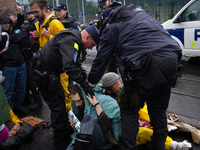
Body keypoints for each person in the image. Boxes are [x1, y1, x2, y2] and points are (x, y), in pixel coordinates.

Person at [88, 4, 182, 150]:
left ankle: (128, 147)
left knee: (129, 109)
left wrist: (91, 82)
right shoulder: (143, 14)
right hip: (171, 60)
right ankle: (159, 146)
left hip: (144, 64)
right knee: (158, 111)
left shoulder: (112, 25)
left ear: (106, 18)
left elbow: (102, 59)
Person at [31, 25, 99, 150]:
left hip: (49, 73)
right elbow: (69, 66)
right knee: (58, 107)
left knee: (60, 103)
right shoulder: (70, 40)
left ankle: (62, 132)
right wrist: (84, 85)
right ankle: (59, 142)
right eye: (92, 44)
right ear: (87, 36)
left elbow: (75, 63)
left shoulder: (74, 40)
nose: (91, 48)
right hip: (44, 74)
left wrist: (83, 75)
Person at [101, 72, 193, 150]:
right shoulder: (109, 101)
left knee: (142, 107)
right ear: (113, 85)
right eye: (118, 81)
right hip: (123, 130)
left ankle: (155, 124)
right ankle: (175, 145)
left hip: (129, 120)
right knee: (147, 133)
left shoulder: (117, 93)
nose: (120, 82)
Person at [29, 0, 73, 111]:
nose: (34, 15)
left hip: (59, 69)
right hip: (48, 68)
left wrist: (50, 37)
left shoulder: (55, 23)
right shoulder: (39, 24)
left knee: (65, 97)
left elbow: (67, 44)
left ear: (44, 9)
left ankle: (71, 121)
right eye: (32, 12)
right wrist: (34, 38)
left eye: (36, 12)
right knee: (55, 100)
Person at [67, 83, 121, 150]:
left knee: (89, 119)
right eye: (74, 101)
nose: (76, 104)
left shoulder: (100, 100)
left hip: (102, 138)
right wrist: (74, 124)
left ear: (83, 97)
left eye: (77, 101)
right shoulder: (80, 106)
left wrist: (96, 105)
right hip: (86, 140)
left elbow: (107, 127)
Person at [10, 13, 43, 111]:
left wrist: (8, 37)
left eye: (10, 17)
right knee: (23, 81)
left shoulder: (22, 28)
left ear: (15, 17)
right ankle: (26, 99)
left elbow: (17, 38)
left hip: (27, 57)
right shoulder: (14, 29)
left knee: (30, 80)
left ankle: (38, 101)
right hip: (20, 58)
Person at [0, 15, 29, 115]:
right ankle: (7, 114)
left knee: (22, 89)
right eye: (4, 23)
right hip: (8, 66)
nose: (6, 25)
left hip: (20, 63)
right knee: (8, 92)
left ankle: (17, 108)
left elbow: (20, 21)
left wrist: (20, 13)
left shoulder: (13, 30)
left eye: (8, 23)